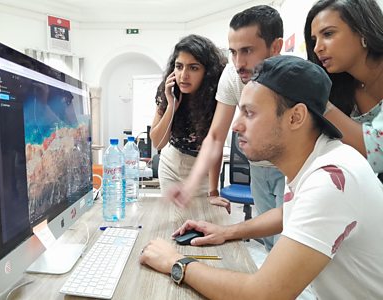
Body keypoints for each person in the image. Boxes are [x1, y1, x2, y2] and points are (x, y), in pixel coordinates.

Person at [140, 55, 383, 300]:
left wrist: (176, 262)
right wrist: (228, 231)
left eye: (250, 113)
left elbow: (263, 294)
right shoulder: (318, 160)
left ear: (295, 117)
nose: (236, 125)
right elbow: (288, 211)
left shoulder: (331, 179)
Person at [168, 5, 285, 251]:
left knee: (289, 242)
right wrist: (190, 185)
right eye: (233, 52)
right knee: (271, 245)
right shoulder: (233, 75)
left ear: (275, 47)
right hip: (258, 169)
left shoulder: (295, 78)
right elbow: (216, 136)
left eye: (247, 51)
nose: (239, 62)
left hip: (290, 171)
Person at [304, 0, 383, 182]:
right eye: (314, 40)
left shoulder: (325, 100)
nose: (317, 48)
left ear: (363, 30)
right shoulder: (342, 86)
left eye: (328, 34)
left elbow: (378, 154)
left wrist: (318, 101)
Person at [150, 34, 229, 210]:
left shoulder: (218, 96)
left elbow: (217, 143)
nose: (183, 75)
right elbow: (158, 142)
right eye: (179, 67)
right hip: (171, 163)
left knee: (200, 220)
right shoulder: (167, 90)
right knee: (172, 220)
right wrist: (171, 105)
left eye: (193, 68)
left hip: (201, 170)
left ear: (207, 72)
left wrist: (214, 192)